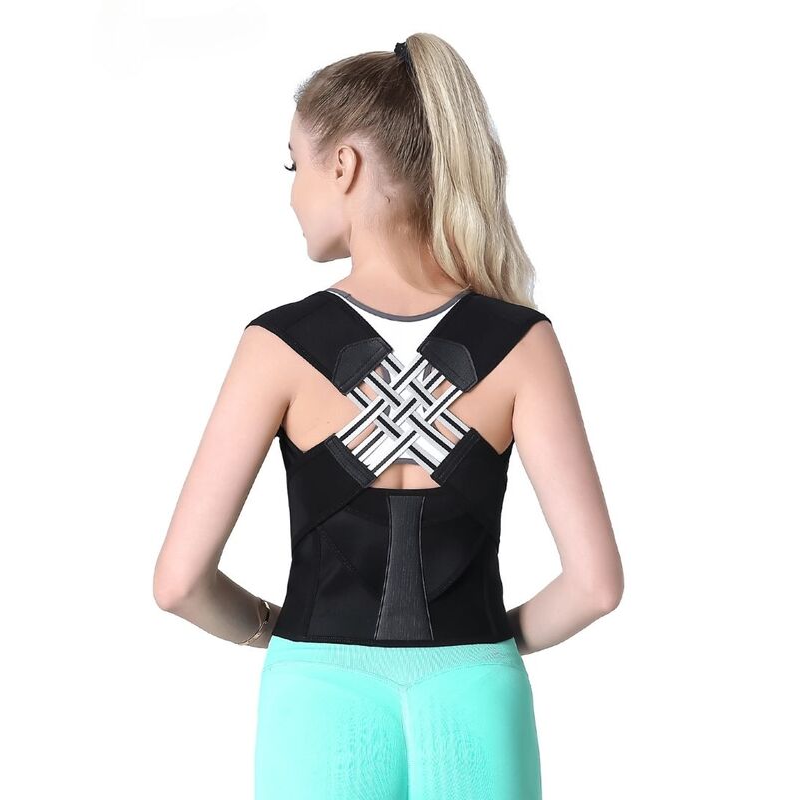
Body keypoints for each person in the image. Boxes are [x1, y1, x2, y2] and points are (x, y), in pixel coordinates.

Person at [153, 32, 623, 800]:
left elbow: (179, 583)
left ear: (342, 165)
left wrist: (274, 628)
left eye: (294, 166)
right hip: (476, 697)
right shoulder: (522, 344)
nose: (292, 194)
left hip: (318, 696)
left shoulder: (277, 347)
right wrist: (481, 648)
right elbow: (596, 586)